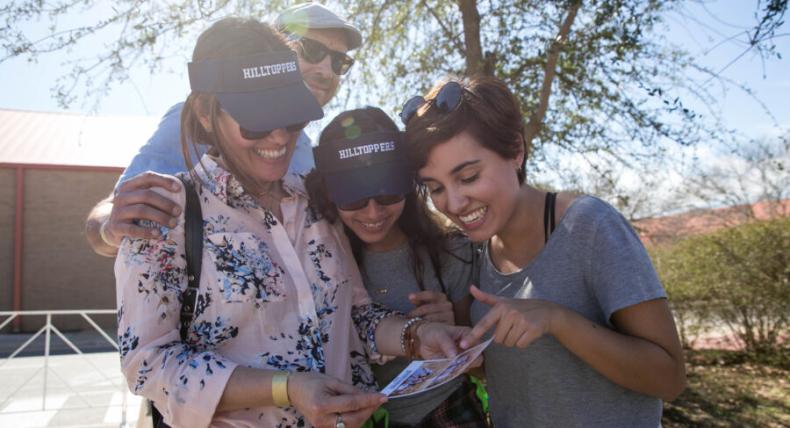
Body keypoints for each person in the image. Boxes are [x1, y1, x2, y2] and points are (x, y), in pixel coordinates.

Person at [116, 17, 468, 428]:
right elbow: (148, 363)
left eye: (291, 117)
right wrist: (287, 387)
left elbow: (357, 317)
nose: (280, 137)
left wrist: (417, 335)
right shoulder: (168, 215)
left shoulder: (316, 201)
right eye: (256, 121)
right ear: (205, 114)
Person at [401, 76, 686, 427]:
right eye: (436, 188)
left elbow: (669, 378)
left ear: (516, 151)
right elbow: (525, 377)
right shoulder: (473, 252)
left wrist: (557, 320)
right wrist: (462, 346)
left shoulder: (588, 226)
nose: (454, 204)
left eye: (469, 176)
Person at [85, 2, 359, 257]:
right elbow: (115, 212)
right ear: (277, 50)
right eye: (313, 50)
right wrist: (109, 228)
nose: (327, 71)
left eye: (339, 62)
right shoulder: (199, 121)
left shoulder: (306, 149)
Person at [305, 107, 488, 427]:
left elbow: (481, 362)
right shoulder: (321, 261)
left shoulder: (453, 251)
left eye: (388, 193)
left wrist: (453, 333)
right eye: (353, 199)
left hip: (452, 412)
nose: (373, 212)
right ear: (329, 194)